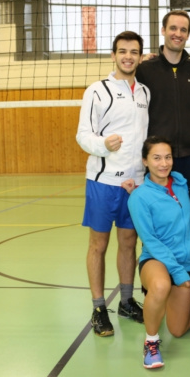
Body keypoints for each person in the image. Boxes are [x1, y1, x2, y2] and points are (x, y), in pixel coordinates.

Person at [75, 31, 148, 337]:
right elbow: (82, 135)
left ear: (141, 57)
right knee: (99, 245)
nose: (128, 56)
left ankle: (127, 301)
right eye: (122, 51)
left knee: (129, 243)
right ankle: (98, 307)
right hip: (103, 182)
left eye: (134, 52)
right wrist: (104, 144)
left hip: (135, 183)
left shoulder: (145, 92)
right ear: (113, 55)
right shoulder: (97, 91)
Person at [126, 136, 190, 369]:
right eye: (156, 158)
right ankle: (151, 342)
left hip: (187, 261)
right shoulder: (139, 196)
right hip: (156, 259)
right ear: (145, 161)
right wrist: (177, 273)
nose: (163, 163)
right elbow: (150, 241)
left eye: (167, 157)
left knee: (178, 330)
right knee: (160, 286)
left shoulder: (180, 184)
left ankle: (185, 299)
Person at [136, 10, 190, 187]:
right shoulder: (145, 69)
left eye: (183, 30)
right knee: (160, 211)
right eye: (173, 28)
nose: (178, 34)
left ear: (188, 35)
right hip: (159, 157)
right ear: (163, 30)